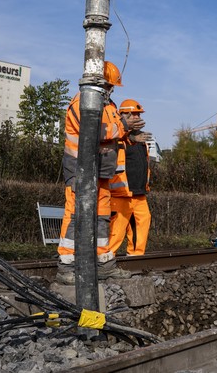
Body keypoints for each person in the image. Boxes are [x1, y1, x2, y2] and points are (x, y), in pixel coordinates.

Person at [56, 61, 131, 284]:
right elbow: (96, 130)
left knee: (101, 217)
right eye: (110, 86)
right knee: (75, 215)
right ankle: (66, 267)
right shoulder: (81, 103)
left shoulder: (108, 105)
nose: (111, 91)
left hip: (101, 171)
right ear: (101, 84)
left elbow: (114, 132)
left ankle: (103, 263)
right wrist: (125, 127)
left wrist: (128, 134)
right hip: (81, 169)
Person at [108, 99, 152, 257]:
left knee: (142, 222)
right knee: (117, 230)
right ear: (123, 115)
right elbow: (115, 139)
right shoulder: (116, 136)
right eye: (134, 115)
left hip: (139, 193)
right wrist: (131, 137)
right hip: (121, 194)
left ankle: (135, 257)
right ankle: (105, 259)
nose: (137, 118)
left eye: (139, 115)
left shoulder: (141, 140)